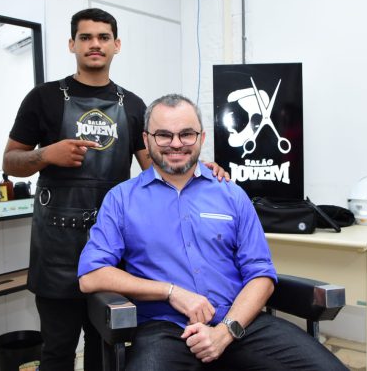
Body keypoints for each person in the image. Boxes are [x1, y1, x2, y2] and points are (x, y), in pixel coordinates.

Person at [2, 9, 227, 371]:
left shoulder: (134, 105)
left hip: (114, 247)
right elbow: (10, 162)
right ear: (72, 44)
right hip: (57, 250)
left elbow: (159, 166)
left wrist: (200, 167)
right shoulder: (42, 98)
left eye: (103, 37)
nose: (95, 44)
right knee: (57, 351)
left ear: (116, 45)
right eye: (86, 37)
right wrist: (47, 154)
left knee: (106, 348)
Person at [78, 94, 348, 371]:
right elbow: (91, 276)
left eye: (186, 134)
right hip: (164, 329)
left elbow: (261, 275)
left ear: (202, 138)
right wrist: (171, 292)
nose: (176, 144)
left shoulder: (231, 194)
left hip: (239, 322)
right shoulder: (122, 199)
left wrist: (226, 331)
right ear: (146, 140)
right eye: (164, 135)